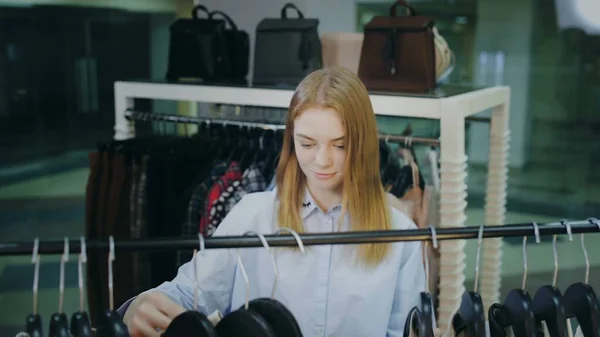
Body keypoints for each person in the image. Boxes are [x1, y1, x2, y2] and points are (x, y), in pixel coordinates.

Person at [119, 67, 426, 337]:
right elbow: (190, 293)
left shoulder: (401, 236)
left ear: (362, 145)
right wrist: (139, 306)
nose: (322, 160)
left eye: (340, 145)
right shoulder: (250, 217)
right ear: (291, 140)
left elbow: (407, 329)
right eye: (307, 143)